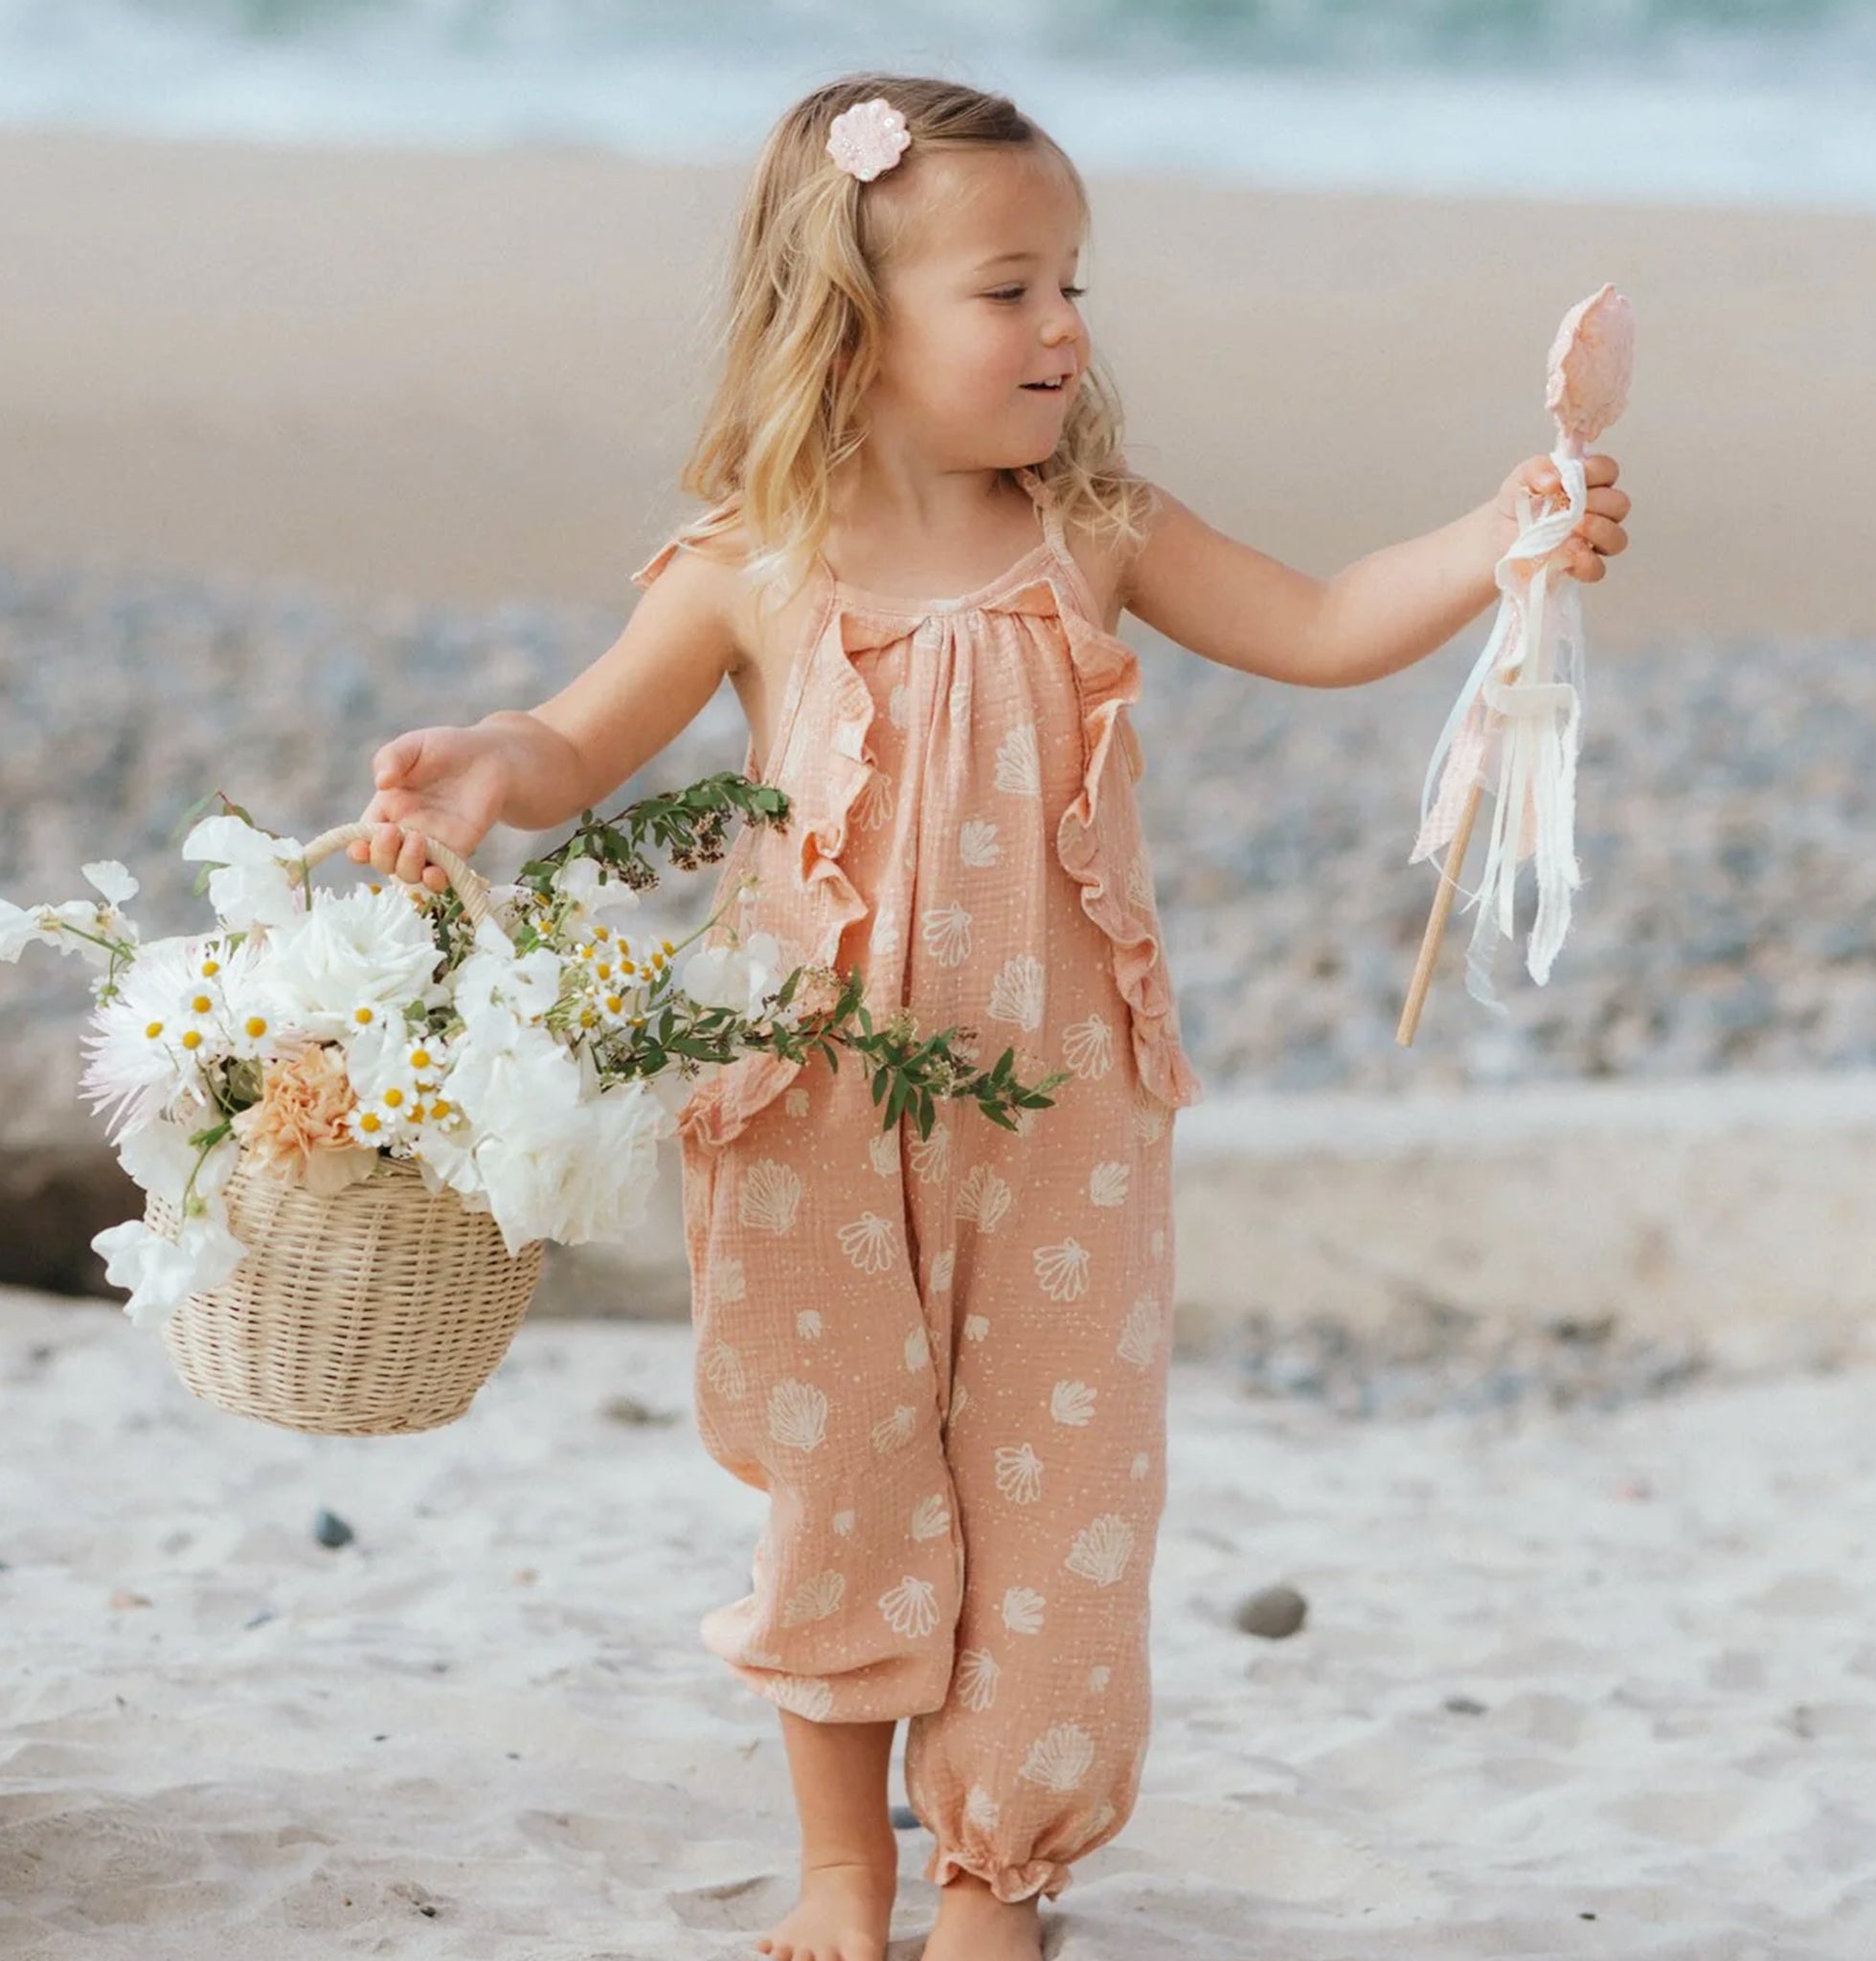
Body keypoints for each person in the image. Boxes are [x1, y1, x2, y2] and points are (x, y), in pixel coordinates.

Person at [347, 70, 1631, 1961]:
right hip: (802, 1112)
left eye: (1074, 286)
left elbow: (1330, 618)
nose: (1063, 330)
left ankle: (994, 1874)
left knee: (1062, 1489)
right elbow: (578, 741)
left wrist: (1496, 535)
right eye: (1009, 288)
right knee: (838, 1481)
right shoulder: (751, 562)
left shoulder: (1093, 526)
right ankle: (842, 1876)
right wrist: (486, 763)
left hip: (1063, 1121)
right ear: (849, 321)